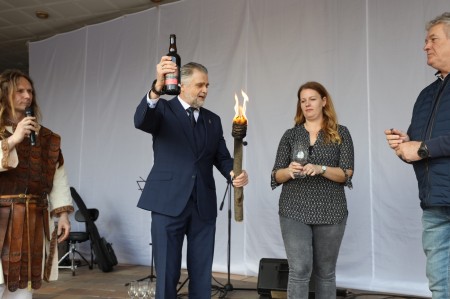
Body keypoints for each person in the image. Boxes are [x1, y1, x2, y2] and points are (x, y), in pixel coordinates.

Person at [134, 57, 249, 299]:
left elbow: (223, 158)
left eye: (207, 85)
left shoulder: (213, 120)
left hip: (203, 205)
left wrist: (233, 173)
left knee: (201, 272)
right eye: (200, 85)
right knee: (166, 270)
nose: (205, 90)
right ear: (182, 85)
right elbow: (141, 120)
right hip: (168, 203)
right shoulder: (162, 109)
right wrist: (157, 88)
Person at [385, 12, 450, 299]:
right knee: (440, 286)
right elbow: (415, 149)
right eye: (425, 41)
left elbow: (425, 147)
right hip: (434, 204)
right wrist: (404, 146)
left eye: (433, 39)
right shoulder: (426, 94)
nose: (426, 46)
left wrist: (423, 148)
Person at [271, 81, 354, 299]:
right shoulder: (290, 135)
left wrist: (321, 168)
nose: (307, 104)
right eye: (303, 100)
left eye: (312, 99)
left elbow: (347, 173)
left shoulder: (340, 133)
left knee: (325, 273)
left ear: (324, 101)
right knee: (299, 271)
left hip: (331, 211)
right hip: (294, 210)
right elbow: (275, 175)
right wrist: (288, 171)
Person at [0, 69, 73, 298]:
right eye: (19, 91)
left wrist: (62, 215)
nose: (27, 96)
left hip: (32, 218)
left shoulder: (46, 137)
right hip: (1, 219)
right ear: (4, 94)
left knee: (24, 285)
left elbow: (58, 175)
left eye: (29, 91)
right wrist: (12, 139)